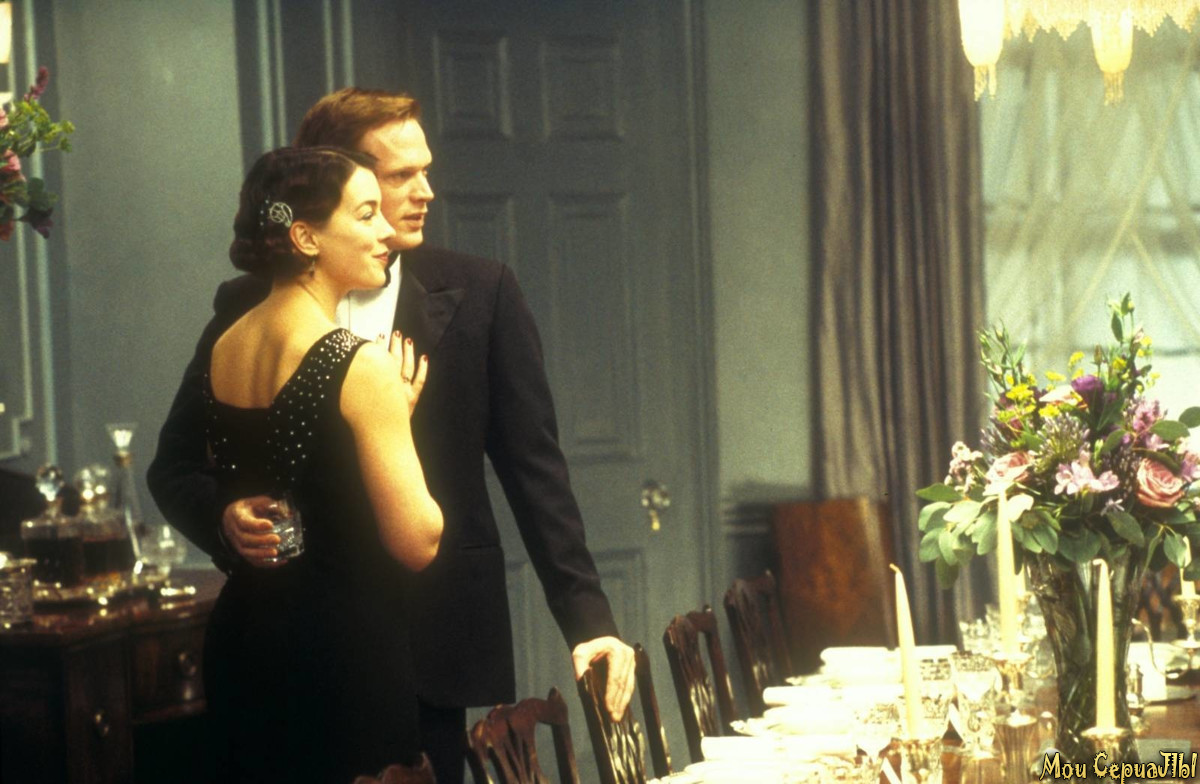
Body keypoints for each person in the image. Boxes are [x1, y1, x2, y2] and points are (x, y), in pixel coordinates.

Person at [148, 88, 634, 784]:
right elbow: (175, 465)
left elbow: (537, 473)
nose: (425, 192)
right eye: (398, 177)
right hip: (289, 648)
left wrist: (590, 622)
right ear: (334, 182)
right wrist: (225, 518)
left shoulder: (483, 291)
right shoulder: (243, 305)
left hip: (430, 643)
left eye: (424, 170)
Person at [199, 145, 443, 783]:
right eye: (365, 214)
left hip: (245, 644)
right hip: (342, 654)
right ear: (306, 237)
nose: (386, 230)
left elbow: (273, 472)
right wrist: (394, 418)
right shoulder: (361, 365)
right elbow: (417, 541)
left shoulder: (226, 344)